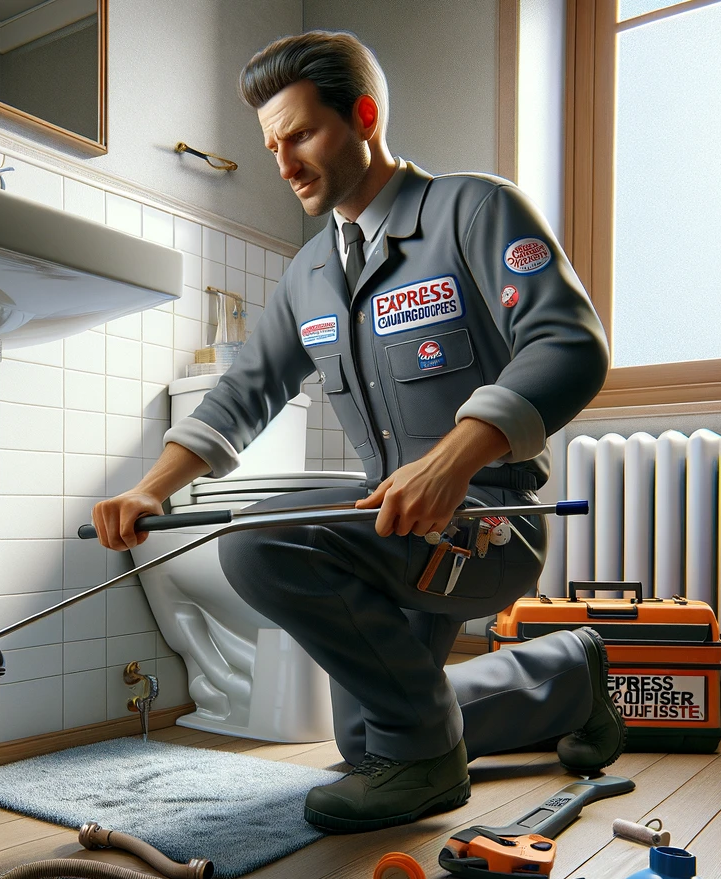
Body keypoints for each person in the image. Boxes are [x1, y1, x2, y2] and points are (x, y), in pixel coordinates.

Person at [91, 30, 625, 833]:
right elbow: (245, 389)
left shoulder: (472, 209)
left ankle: (426, 759)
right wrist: (148, 487)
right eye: (273, 144)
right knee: (362, 739)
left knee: (259, 539)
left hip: (485, 522)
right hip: (388, 525)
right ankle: (570, 672)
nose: (284, 163)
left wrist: (450, 463)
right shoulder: (310, 272)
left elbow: (569, 343)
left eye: (300, 134)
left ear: (364, 116)